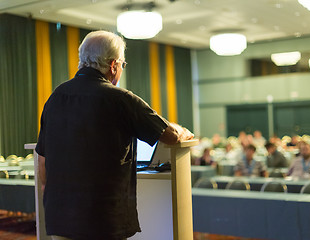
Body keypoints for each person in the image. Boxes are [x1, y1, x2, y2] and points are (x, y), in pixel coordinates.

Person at [35, 31, 193, 240]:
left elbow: (42, 163)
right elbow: (171, 136)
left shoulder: (55, 97)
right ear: (113, 65)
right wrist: (182, 130)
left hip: (60, 218)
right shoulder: (120, 99)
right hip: (102, 221)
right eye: (122, 65)